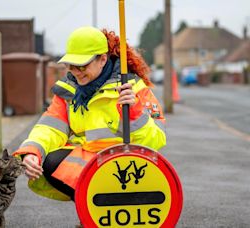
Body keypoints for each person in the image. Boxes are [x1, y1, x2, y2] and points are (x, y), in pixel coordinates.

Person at [12, 26, 166, 201]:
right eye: (71, 65)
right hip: (89, 163)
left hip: (127, 166)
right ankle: (92, 212)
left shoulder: (134, 88)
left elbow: (157, 140)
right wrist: (32, 151)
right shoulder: (68, 92)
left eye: (82, 65)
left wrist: (135, 113)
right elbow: (49, 128)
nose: (76, 72)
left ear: (102, 59)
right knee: (50, 161)